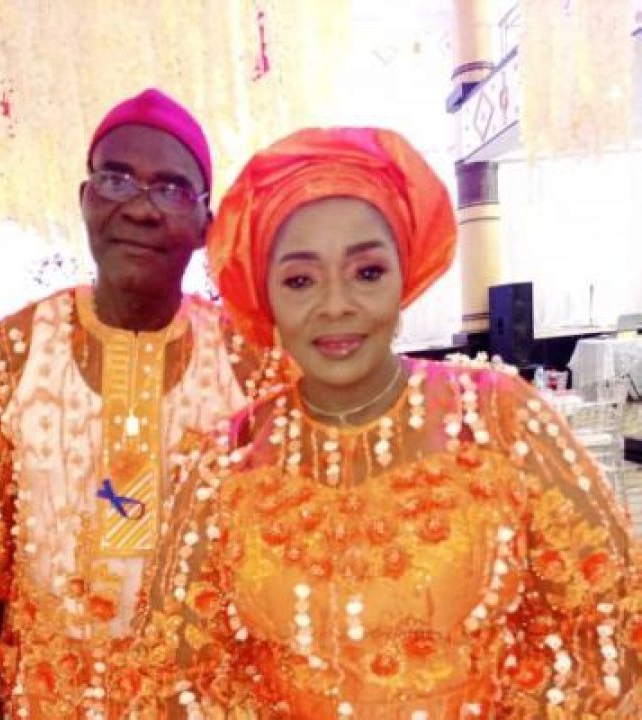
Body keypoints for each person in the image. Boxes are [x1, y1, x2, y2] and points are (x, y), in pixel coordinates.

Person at [136, 127, 641, 718]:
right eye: (300, 280)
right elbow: (180, 672)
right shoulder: (226, 462)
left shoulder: (498, 419)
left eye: (368, 272)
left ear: (406, 277)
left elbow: (610, 620)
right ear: (266, 296)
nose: (336, 305)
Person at [0, 88, 280, 719]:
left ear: (206, 223)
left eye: (171, 189)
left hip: (210, 700)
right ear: (85, 198)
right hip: (49, 700)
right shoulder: (11, 356)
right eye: (116, 180)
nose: (140, 208)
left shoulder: (253, 364)